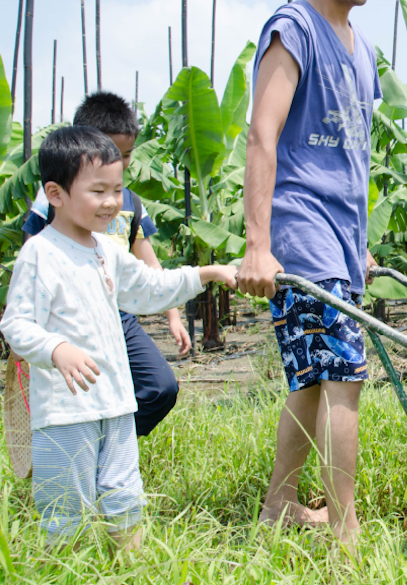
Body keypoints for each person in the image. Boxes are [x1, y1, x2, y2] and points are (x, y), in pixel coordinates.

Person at [0, 126, 237, 550]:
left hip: (116, 403)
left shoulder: (106, 250)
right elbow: (16, 325)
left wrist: (207, 273)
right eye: (98, 191)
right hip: (64, 414)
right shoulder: (40, 254)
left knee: (126, 499)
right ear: (55, 194)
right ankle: (65, 574)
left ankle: (132, 568)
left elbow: (149, 287)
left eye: (117, 190)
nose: (112, 202)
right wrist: (57, 348)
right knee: (65, 512)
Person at [236, 0, 384, 542]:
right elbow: (262, 134)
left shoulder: (365, 53)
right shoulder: (294, 29)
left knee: (314, 379)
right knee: (344, 377)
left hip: (340, 244)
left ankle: (276, 510)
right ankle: (344, 535)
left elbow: (353, 159)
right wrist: (256, 245)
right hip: (298, 233)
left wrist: (362, 246)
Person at [20, 91, 189, 438]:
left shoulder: (131, 202)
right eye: (112, 153)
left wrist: (173, 314)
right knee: (77, 396)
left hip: (117, 311)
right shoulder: (53, 199)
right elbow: (32, 253)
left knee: (161, 387)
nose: (121, 163)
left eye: (126, 155)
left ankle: (111, 443)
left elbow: (147, 259)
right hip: (66, 316)